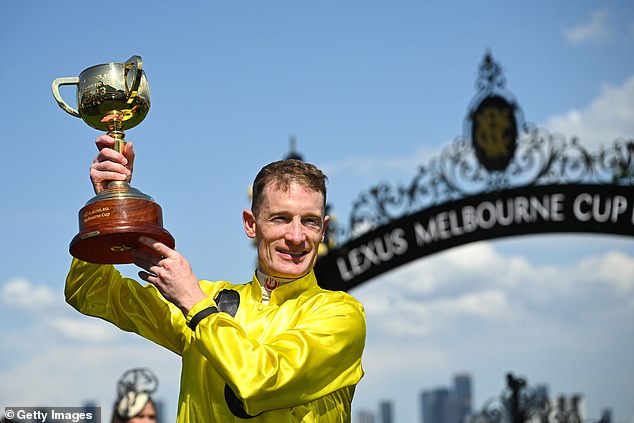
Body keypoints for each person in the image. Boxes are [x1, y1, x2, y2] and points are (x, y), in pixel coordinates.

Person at [65, 135, 366, 422]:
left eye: (310, 222)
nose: (297, 236)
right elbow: (91, 290)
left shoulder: (341, 315)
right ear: (251, 224)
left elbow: (259, 383)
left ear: (323, 230)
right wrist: (109, 204)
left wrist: (195, 305)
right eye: (281, 219)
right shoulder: (206, 299)